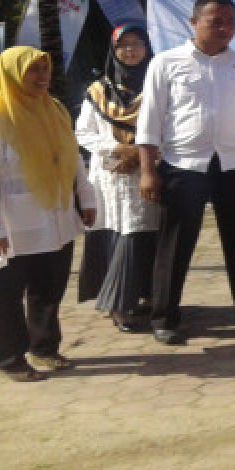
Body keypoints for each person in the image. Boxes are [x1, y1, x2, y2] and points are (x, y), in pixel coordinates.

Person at [136, 0, 235, 345]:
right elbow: (150, 121)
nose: (224, 27)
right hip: (183, 165)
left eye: (230, 21)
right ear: (194, 23)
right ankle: (165, 317)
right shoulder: (166, 63)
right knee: (175, 244)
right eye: (215, 21)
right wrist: (148, 170)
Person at [0, 47, 97, 381]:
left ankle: (44, 347)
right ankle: (10, 358)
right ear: (13, 73)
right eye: (33, 70)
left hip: (57, 214)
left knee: (49, 287)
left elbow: (71, 159)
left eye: (45, 69)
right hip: (15, 223)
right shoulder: (1, 114)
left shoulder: (54, 110)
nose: (42, 77)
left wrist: (86, 198)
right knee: (7, 292)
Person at [74, 26, 160, 332]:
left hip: (148, 170)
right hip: (111, 174)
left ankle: (149, 298)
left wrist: (139, 153)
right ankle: (119, 305)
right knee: (117, 235)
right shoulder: (98, 91)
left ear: (147, 48)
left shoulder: (158, 86)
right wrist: (117, 149)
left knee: (143, 234)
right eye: (124, 46)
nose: (131, 51)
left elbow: (173, 127)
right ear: (114, 51)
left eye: (137, 44)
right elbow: (83, 132)